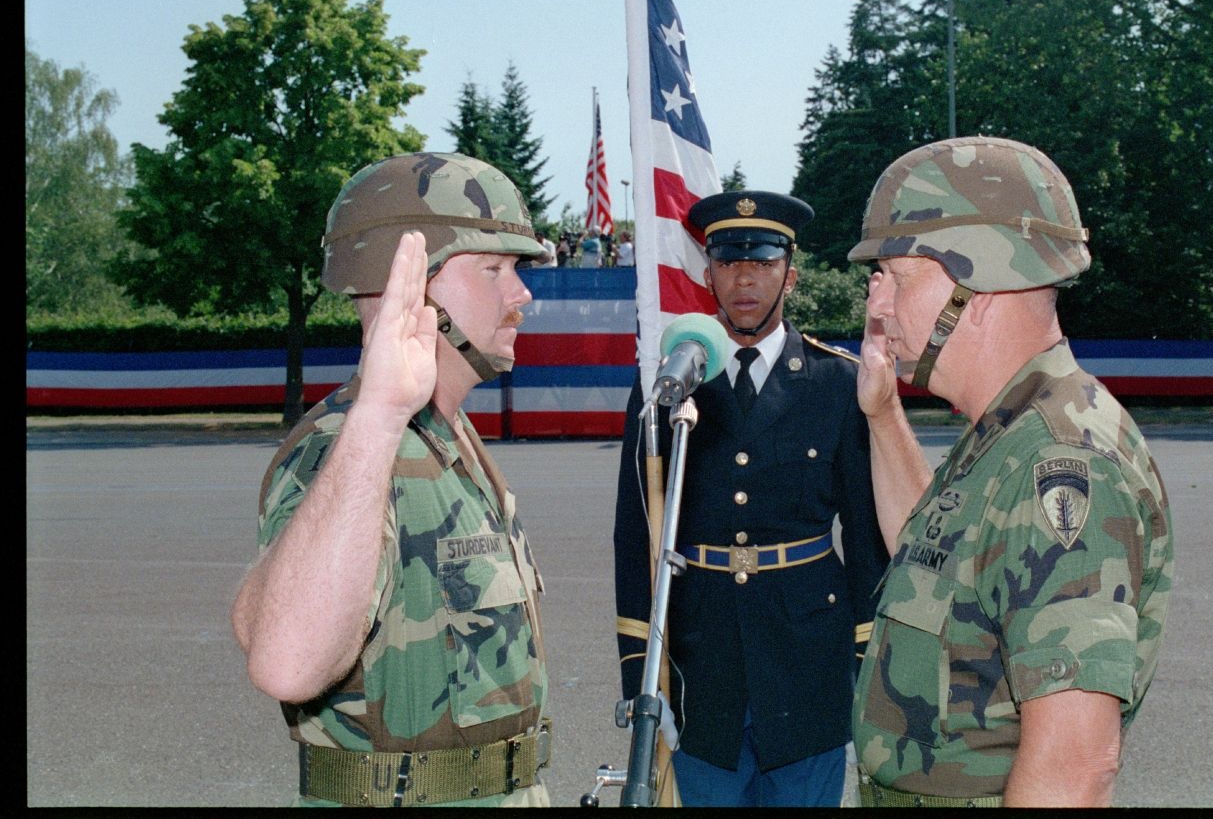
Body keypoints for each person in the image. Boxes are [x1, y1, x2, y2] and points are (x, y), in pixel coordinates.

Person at [846, 136, 1174, 807]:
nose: (877, 310)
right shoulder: (1003, 432)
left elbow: (1075, 765)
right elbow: (936, 559)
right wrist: (882, 416)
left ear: (981, 282)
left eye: (898, 279)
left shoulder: (1063, 461)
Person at [230, 152, 553, 807]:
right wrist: (377, 415)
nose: (521, 294)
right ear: (415, 280)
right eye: (494, 268)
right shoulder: (346, 448)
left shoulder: (450, 436)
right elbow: (286, 661)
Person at [613, 190, 889, 807]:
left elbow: (868, 540)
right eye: (729, 262)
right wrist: (641, 674)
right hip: (700, 664)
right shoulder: (665, 385)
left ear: (790, 274)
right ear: (706, 272)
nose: (745, 278)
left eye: (762, 263)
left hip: (809, 663)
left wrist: (872, 667)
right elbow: (636, 537)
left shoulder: (836, 384)